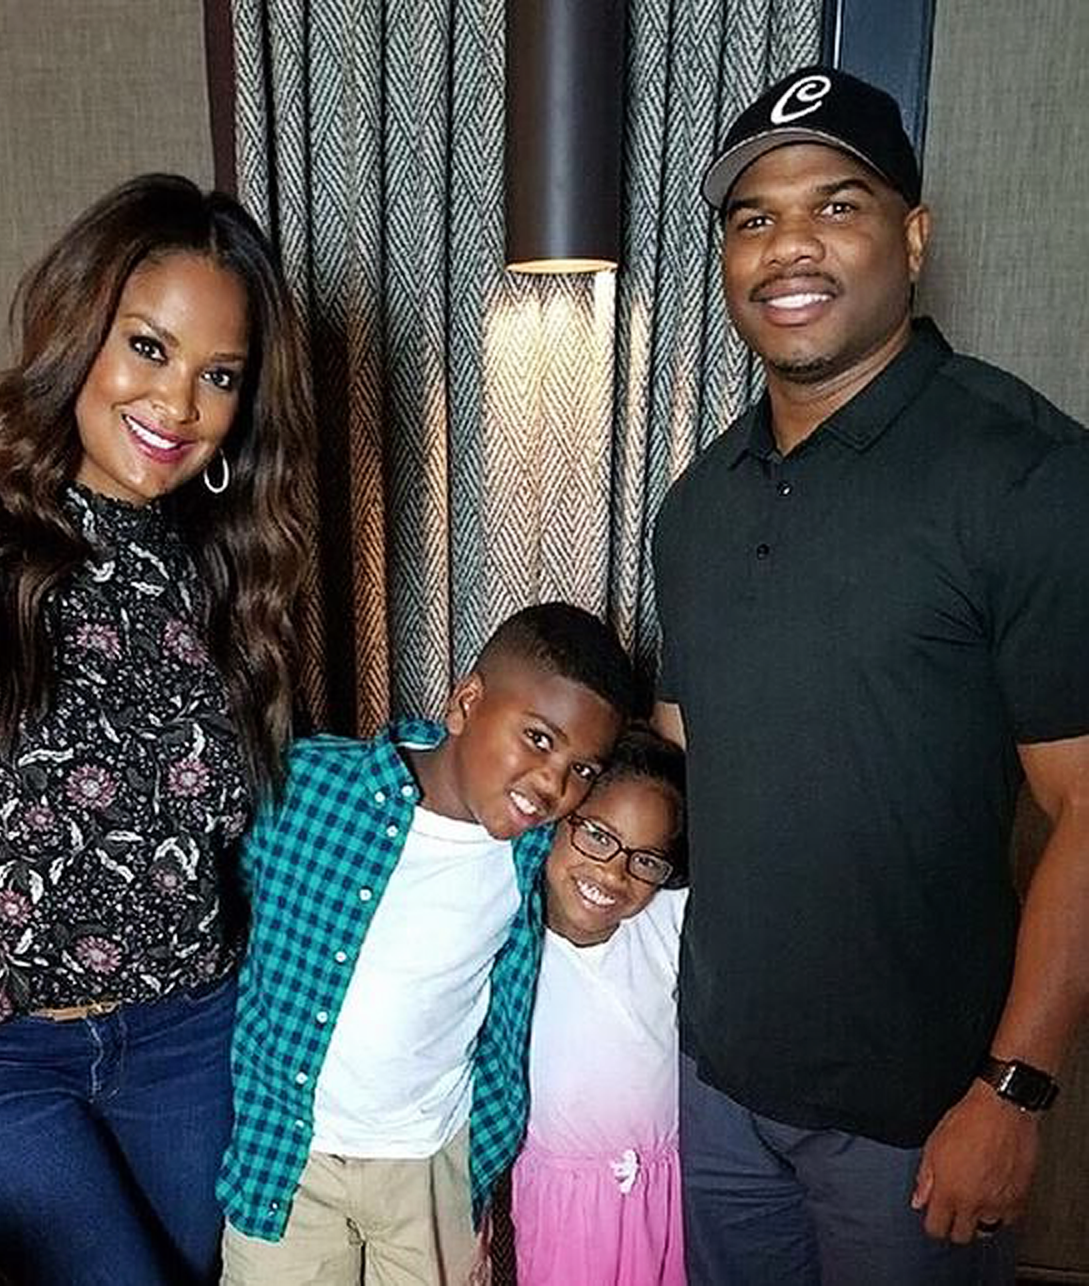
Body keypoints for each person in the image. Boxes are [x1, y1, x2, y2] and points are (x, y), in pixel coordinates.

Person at [0, 173, 313, 1283]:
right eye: (148, 347)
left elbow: (260, 848)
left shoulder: (230, 577)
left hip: (190, 1036)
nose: (177, 403)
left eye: (219, 374)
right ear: (79, 332)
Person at [651, 66, 1089, 1284]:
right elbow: (685, 762)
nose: (789, 245)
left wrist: (1015, 1089)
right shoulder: (695, 506)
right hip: (719, 1084)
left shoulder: (1027, 474)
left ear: (914, 237)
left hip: (919, 1114)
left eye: (836, 206)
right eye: (755, 218)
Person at [216, 602, 633, 1285]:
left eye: (583, 769)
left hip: (430, 1164)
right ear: (467, 703)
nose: (554, 785)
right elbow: (217, 905)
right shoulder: (309, 787)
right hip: (289, 1159)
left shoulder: (535, 852)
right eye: (537, 738)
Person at [510, 725, 688, 1286]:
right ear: (558, 820)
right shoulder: (510, 935)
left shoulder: (664, 921)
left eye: (646, 861)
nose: (613, 873)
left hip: (671, 1196)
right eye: (598, 836)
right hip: (562, 1208)